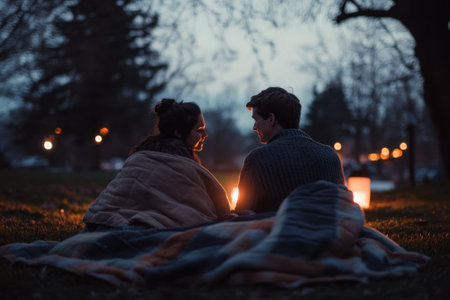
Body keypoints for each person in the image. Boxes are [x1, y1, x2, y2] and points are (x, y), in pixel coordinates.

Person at [83, 99, 231, 230]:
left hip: (100, 222)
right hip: (133, 228)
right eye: (199, 130)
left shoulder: (141, 152)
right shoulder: (172, 162)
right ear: (179, 132)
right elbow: (218, 206)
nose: (205, 134)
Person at [235, 87, 345, 213]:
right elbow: (343, 207)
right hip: (330, 231)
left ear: (271, 119)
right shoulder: (330, 155)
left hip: (279, 231)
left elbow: (242, 215)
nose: (254, 127)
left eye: (256, 119)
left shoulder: (259, 159)